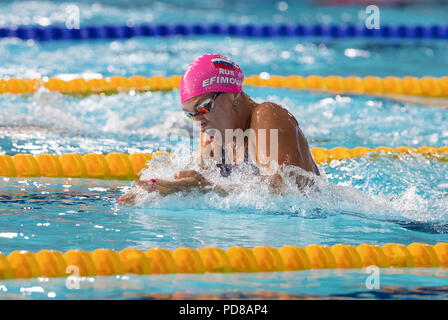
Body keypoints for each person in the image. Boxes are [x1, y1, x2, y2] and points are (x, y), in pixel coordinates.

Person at [118, 54, 319, 206]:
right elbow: (195, 180)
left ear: (234, 96)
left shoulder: (266, 116)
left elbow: (289, 192)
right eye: (191, 114)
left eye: (203, 107)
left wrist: (206, 187)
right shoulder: (213, 137)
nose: (198, 121)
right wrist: (157, 190)